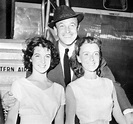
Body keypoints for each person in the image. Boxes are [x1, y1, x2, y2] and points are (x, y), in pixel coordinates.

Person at [2, 5, 133, 123]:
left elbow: (113, 85)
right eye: (62, 26)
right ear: (55, 30)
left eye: (71, 25)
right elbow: (29, 86)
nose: (67, 31)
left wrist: (128, 112)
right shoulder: (46, 55)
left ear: (78, 27)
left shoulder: (88, 53)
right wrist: (10, 100)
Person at [65, 36, 127, 124]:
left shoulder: (108, 84)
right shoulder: (73, 88)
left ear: (100, 57)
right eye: (86, 54)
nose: (92, 59)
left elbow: (119, 116)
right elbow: (69, 122)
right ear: (79, 58)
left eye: (95, 54)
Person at [4, 36, 65, 124]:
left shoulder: (59, 90)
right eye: (37, 56)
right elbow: (10, 120)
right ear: (30, 58)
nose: (43, 61)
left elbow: (59, 122)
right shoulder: (19, 85)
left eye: (47, 56)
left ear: (51, 59)